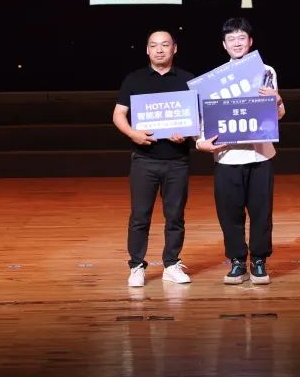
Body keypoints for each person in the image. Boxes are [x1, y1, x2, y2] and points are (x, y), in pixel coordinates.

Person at [196, 17, 285, 285]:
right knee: (230, 213)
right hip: (227, 156)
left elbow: (276, 114)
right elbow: (203, 117)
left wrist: (278, 101)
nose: (237, 43)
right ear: (224, 45)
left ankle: (259, 260)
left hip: (260, 154)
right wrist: (200, 142)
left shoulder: (266, 70)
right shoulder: (214, 79)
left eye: (241, 38)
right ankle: (237, 261)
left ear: (250, 41)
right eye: (231, 39)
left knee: (261, 212)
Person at [113, 30, 196, 287]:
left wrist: (187, 132)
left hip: (177, 161)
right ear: (147, 50)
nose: (159, 50)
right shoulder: (134, 79)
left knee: (175, 217)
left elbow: (197, 118)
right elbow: (118, 114)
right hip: (144, 160)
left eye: (165, 45)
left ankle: (171, 264)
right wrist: (133, 134)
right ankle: (136, 266)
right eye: (153, 45)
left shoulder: (188, 80)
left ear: (174, 48)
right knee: (140, 216)